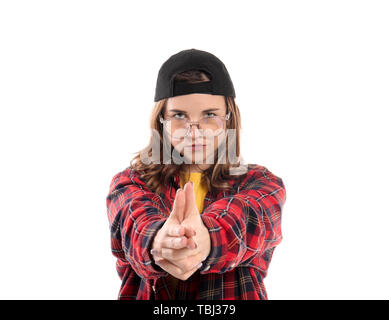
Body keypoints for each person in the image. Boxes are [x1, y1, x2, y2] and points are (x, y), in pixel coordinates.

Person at [106, 48, 286, 300]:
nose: (194, 132)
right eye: (179, 115)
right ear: (161, 121)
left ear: (229, 118)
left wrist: (205, 238)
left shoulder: (261, 184)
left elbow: (250, 217)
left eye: (210, 115)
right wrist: (160, 242)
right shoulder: (130, 182)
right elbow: (134, 219)